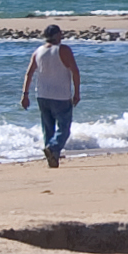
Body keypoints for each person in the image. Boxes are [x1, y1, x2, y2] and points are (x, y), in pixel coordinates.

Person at [22, 23, 82, 169]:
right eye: (60, 34)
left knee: (48, 128)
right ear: (56, 35)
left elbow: (29, 73)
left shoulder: (38, 51)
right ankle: (53, 148)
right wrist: (77, 92)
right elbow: (75, 71)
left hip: (42, 95)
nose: (62, 36)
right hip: (60, 95)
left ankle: (52, 157)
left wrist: (25, 94)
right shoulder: (63, 50)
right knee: (64, 128)